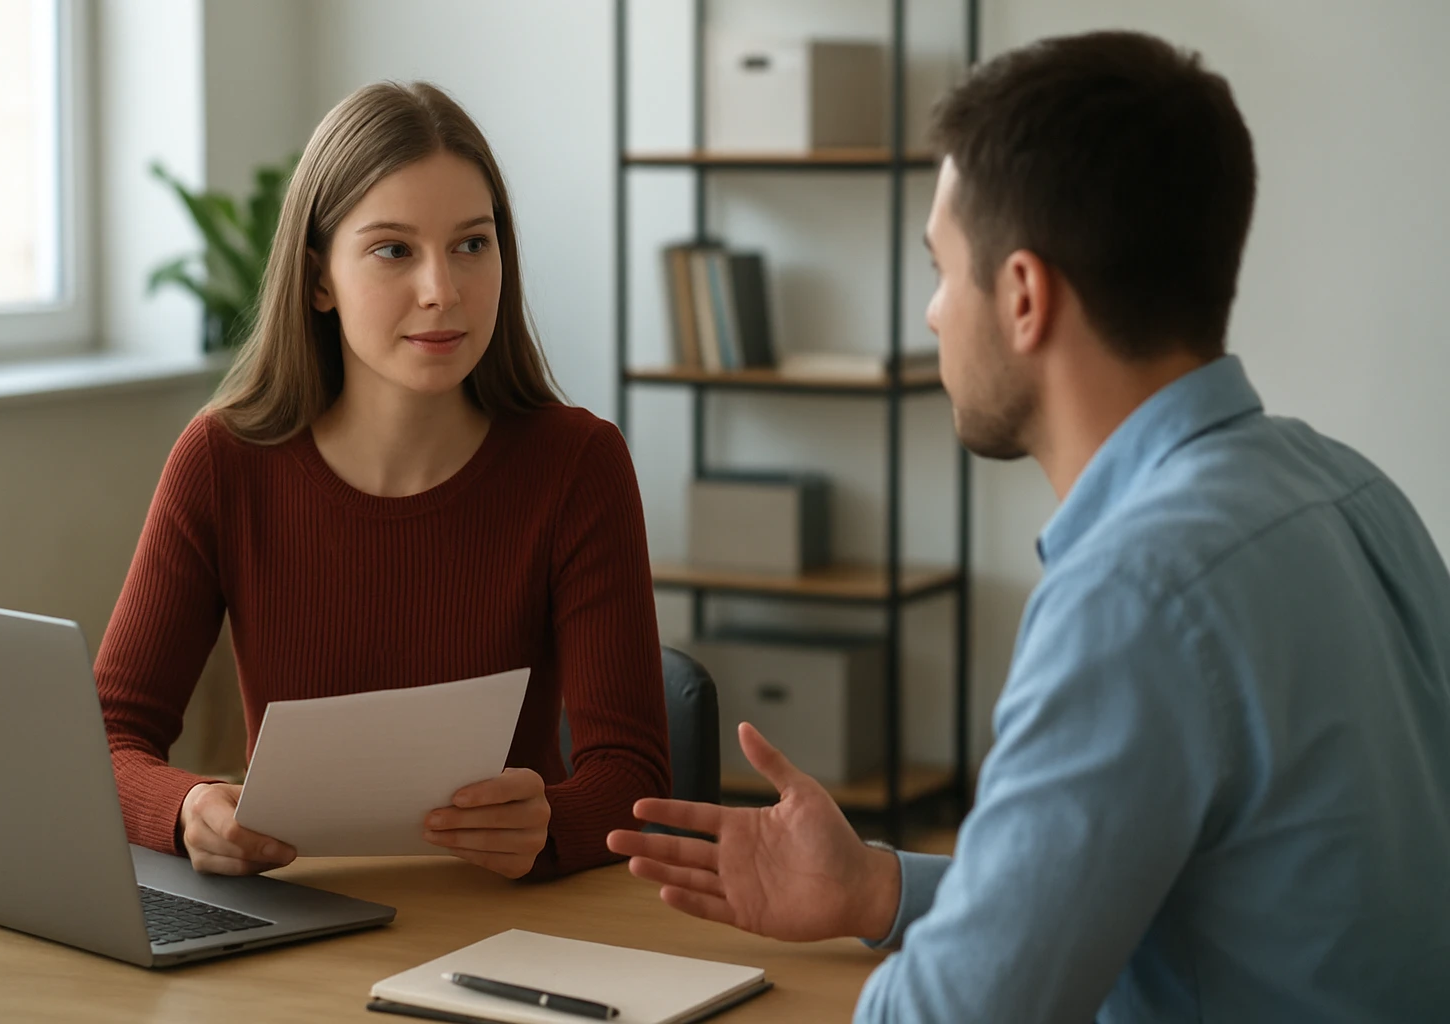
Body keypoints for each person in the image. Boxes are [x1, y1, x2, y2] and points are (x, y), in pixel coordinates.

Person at [608, 30, 1450, 1022]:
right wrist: (879, 887)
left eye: (939, 268)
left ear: (1021, 295)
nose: (929, 314)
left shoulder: (1136, 592)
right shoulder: (1354, 491)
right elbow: (1174, 887)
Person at [96, 81, 670, 882]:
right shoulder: (222, 462)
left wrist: (548, 822)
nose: (443, 289)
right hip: (294, 922)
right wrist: (188, 807)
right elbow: (106, 736)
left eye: (473, 243)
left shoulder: (577, 465)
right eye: (394, 250)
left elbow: (633, 778)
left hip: (510, 929)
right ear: (319, 279)